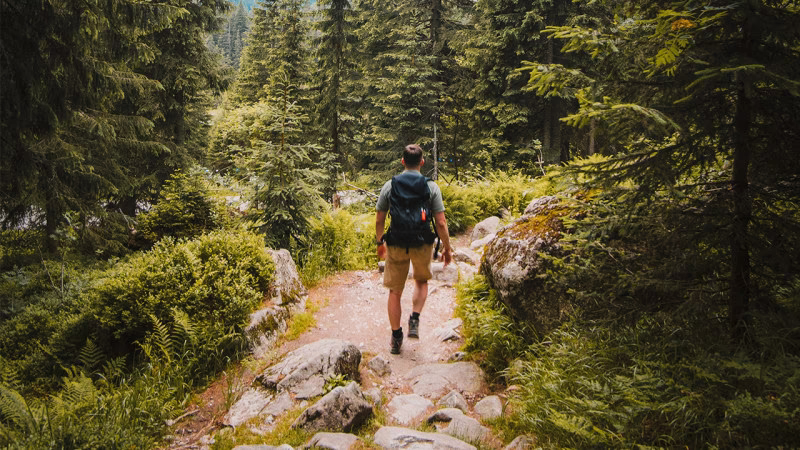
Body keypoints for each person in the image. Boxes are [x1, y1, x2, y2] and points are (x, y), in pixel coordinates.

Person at [375, 144, 452, 354]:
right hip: (422, 242)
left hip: (397, 242)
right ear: (422, 162)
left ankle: (396, 336)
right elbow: (441, 222)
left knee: (395, 291)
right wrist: (447, 249)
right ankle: (415, 318)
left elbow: (380, 217)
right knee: (421, 281)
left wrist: (380, 242)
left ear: (402, 162)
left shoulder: (389, 186)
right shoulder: (431, 187)